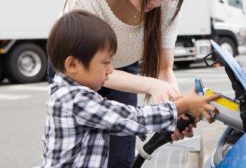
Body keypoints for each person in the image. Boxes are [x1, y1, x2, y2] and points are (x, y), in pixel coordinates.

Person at [47, 0, 189, 167]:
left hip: (124, 69)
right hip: (80, 68)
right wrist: (153, 88)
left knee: (120, 154)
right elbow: (98, 70)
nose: (157, 1)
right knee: (81, 151)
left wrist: (177, 110)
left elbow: (164, 68)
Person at [41, 10, 219, 168]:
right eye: (106, 61)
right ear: (73, 64)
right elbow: (132, 118)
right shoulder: (76, 100)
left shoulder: (68, 94)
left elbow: (121, 123)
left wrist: (172, 122)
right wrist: (183, 105)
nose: (111, 69)